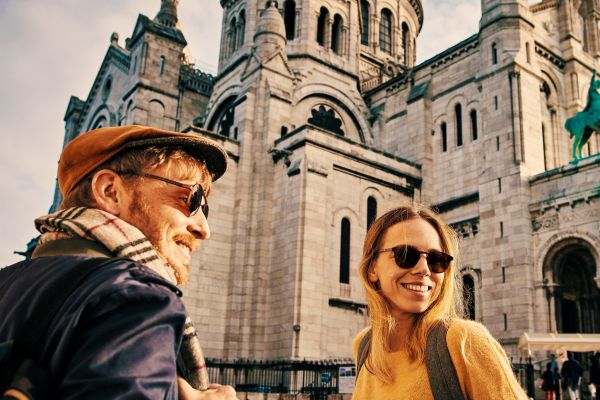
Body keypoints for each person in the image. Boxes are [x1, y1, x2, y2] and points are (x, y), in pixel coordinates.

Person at [0, 125, 237, 399]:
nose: (203, 228)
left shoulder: (7, 282)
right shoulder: (135, 296)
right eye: (192, 199)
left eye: (204, 207)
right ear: (110, 191)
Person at [352, 205, 528, 399]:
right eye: (405, 255)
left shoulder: (463, 340)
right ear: (372, 268)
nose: (424, 269)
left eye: (436, 260)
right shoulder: (365, 345)